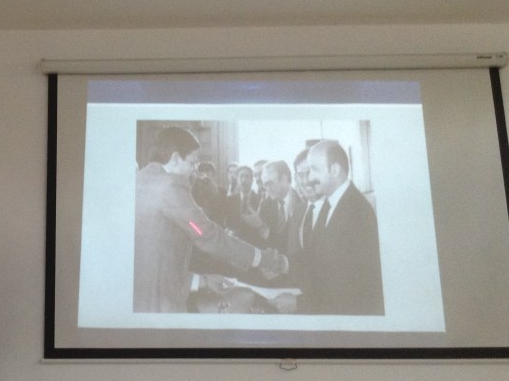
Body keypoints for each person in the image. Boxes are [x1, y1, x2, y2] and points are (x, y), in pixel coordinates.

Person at [134, 126, 285, 313]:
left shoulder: (138, 181)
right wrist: (260, 258)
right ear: (175, 158)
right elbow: (202, 233)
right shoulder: (170, 186)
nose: (194, 172)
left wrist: (202, 281)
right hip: (157, 305)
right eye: (192, 163)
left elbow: (156, 259)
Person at [279, 139, 383, 315]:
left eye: (314, 170)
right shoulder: (331, 204)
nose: (309, 178)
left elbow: (352, 289)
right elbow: (317, 260)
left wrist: (299, 303)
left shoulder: (356, 211)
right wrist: (282, 264)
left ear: (334, 170)